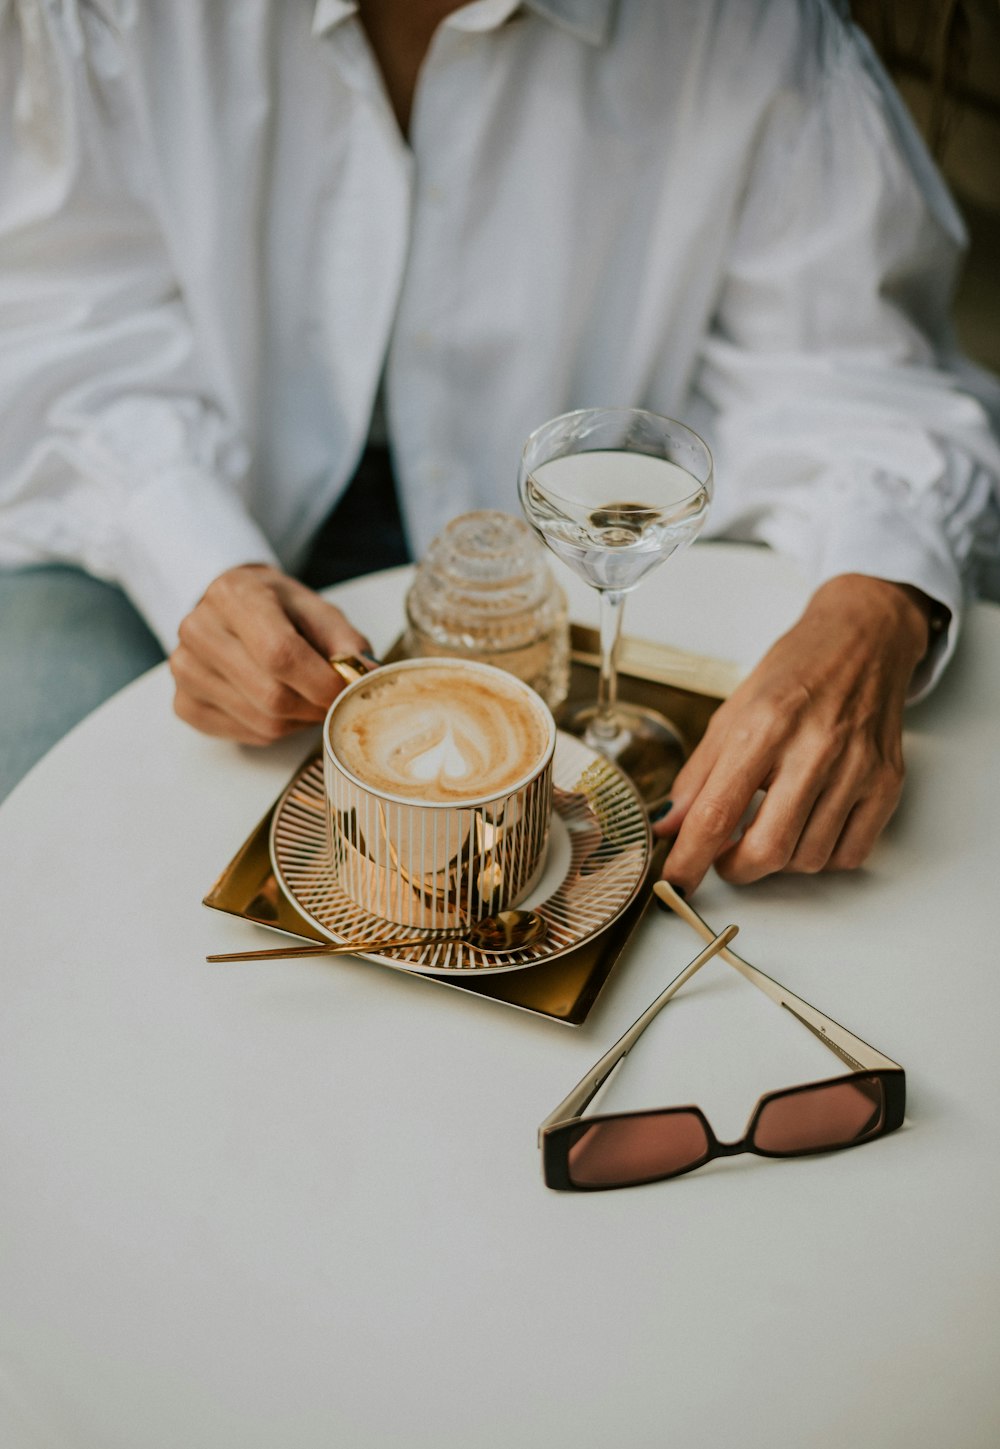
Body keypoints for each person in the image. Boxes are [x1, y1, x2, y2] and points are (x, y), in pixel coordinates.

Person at [1, 0, 998, 893]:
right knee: (69, 857)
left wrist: (877, 600)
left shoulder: (752, 28)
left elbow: (850, 373)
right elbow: (63, 318)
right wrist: (191, 554)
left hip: (569, 565)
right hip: (166, 485)